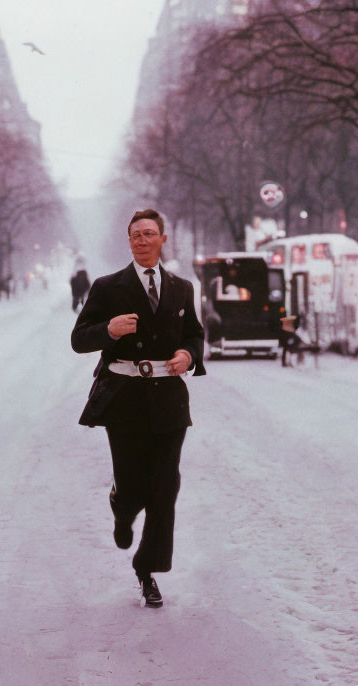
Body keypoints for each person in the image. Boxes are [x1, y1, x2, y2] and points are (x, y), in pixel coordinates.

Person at [71, 208, 205, 608]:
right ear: (128, 241)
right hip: (124, 397)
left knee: (166, 486)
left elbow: (194, 335)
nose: (142, 240)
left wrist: (188, 355)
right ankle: (121, 505)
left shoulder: (182, 288)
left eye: (149, 234)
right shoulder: (108, 287)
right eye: (135, 235)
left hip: (168, 398)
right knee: (133, 484)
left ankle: (147, 569)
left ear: (164, 239)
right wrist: (108, 331)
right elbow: (79, 338)